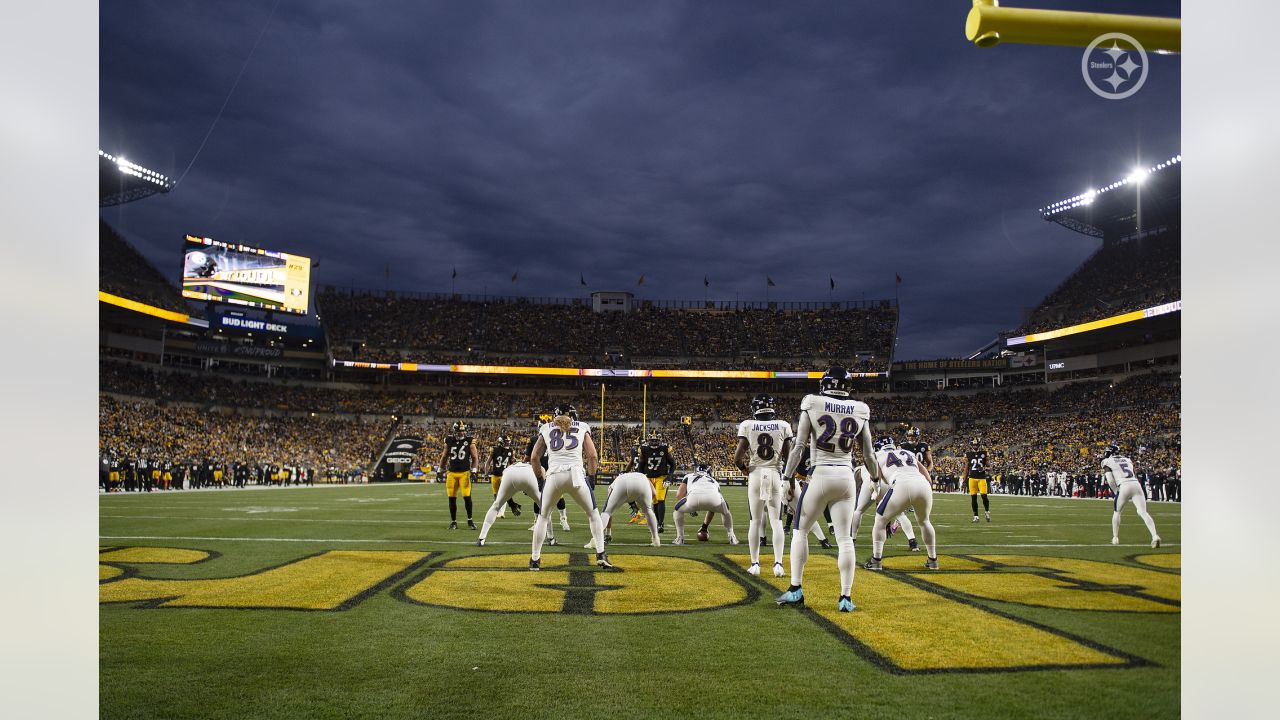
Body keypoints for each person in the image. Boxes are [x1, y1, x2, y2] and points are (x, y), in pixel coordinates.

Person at [776, 366, 879, 613]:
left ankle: (795, 589)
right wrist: (875, 479)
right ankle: (845, 597)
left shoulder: (812, 402)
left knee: (800, 532)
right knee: (845, 539)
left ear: (825, 385)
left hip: (820, 474)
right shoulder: (860, 409)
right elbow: (868, 454)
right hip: (845, 476)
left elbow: (799, 446)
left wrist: (787, 478)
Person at [528, 404, 611, 570]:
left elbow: (534, 457)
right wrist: (592, 477)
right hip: (576, 475)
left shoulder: (546, 428)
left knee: (543, 517)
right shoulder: (581, 426)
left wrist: (539, 479)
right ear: (573, 416)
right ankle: (601, 554)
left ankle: (535, 559)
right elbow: (593, 456)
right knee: (593, 514)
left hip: (554, 476)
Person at [735, 393, 792, 577]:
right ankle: (778, 565)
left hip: (756, 473)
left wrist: (744, 469)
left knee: (755, 522)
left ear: (755, 408)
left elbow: (737, 458)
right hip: (775, 473)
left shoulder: (747, 425)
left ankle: (755, 564)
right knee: (776, 522)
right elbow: (789, 457)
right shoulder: (783, 425)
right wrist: (787, 478)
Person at [862, 437, 939, 571]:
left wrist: (875, 493)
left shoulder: (877, 455)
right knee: (925, 521)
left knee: (880, 519)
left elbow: (876, 480)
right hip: (923, 485)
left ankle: (876, 560)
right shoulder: (908, 453)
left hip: (901, 484)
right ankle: (933, 560)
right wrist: (928, 488)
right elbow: (926, 474)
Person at [476, 460, 555, 546]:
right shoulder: (535, 465)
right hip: (529, 474)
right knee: (545, 508)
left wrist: (512, 504)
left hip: (510, 474)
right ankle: (551, 538)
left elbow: (504, 489)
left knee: (496, 506)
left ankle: (481, 538)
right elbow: (542, 473)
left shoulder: (509, 468)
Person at [1102, 444, 1161, 548]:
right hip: (1136, 484)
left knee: (1117, 512)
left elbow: (1110, 480)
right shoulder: (1127, 459)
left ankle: (1115, 538)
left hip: (1124, 485)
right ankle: (1154, 536)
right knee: (1142, 512)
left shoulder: (1107, 461)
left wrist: (1116, 492)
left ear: (1109, 452)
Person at [671, 461, 737, 546]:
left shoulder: (688, 476)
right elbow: (714, 505)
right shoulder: (713, 480)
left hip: (693, 498)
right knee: (726, 511)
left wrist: (690, 508)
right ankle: (731, 536)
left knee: (677, 510)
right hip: (714, 499)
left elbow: (679, 494)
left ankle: (680, 538)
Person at [590, 470, 660, 547]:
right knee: (648, 511)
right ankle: (656, 539)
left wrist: (608, 533)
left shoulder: (618, 479)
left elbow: (608, 513)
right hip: (643, 482)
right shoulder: (642, 475)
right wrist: (640, 506)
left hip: (622, 483)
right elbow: (654, 493)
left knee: (607, 512)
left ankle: (596, 540)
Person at [630, 431, 675, 533]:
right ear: (649, 440)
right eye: (652, 440)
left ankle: (660, 524)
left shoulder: (665, 448)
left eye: (656, 440)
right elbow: (641, 465)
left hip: (661, 477)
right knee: (654, 501)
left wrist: (669, 477)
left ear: (660, 440)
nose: (654, 442)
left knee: (660, 499)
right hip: (649, 478)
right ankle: (657, 522)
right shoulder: (644, 449)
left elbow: (673, 464)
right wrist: (641, 477)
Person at [438, 421, 479, 530]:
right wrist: (439, 469)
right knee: (451, 498)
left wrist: (474, 471)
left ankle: (470, 520)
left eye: (463, 430)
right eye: (459, 430)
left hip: (464, 473)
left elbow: (475, 458)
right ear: (455, 430)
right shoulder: (449, 440)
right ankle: (453, 522)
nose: (461, 432)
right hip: (451, 473)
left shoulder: (469, 440)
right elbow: (444, 456)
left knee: (467, 497)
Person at [485, 435, 521, 518]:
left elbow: (512, 463)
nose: (508, 442)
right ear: (501, 442)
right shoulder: (494, 450)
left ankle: (502, 512)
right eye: (506, 441)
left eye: (508, 441)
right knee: (496, 496)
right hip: (495, 475)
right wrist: (486, 473)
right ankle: (505, 509)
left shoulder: (510, 451)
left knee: (504, 493)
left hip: (504, 475)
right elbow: (488, 462)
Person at [963, 438, 992, 523]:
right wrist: (964, 479)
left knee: (984, 496)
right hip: (972, 478)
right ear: (971, 445)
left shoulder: (984, 453)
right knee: (973, 498)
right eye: (974, 444)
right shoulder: (968, 454)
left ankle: (987, 511)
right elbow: (966, 468)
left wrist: (984, 468)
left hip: (981, 478)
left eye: (976, 444)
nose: (975, 446)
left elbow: (990, 468)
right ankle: (976, 516)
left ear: (979, 444)